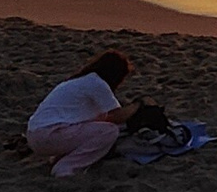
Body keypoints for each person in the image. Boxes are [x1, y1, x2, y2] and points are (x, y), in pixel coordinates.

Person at [26, 50, 139, 179]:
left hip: (34, 135)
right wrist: (137, 106)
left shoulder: (76, 81)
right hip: (50, 134)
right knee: (109, 131)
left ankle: (59, 160)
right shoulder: (96, 83)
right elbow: (117, 116)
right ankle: (67, 167)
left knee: (93, 126)